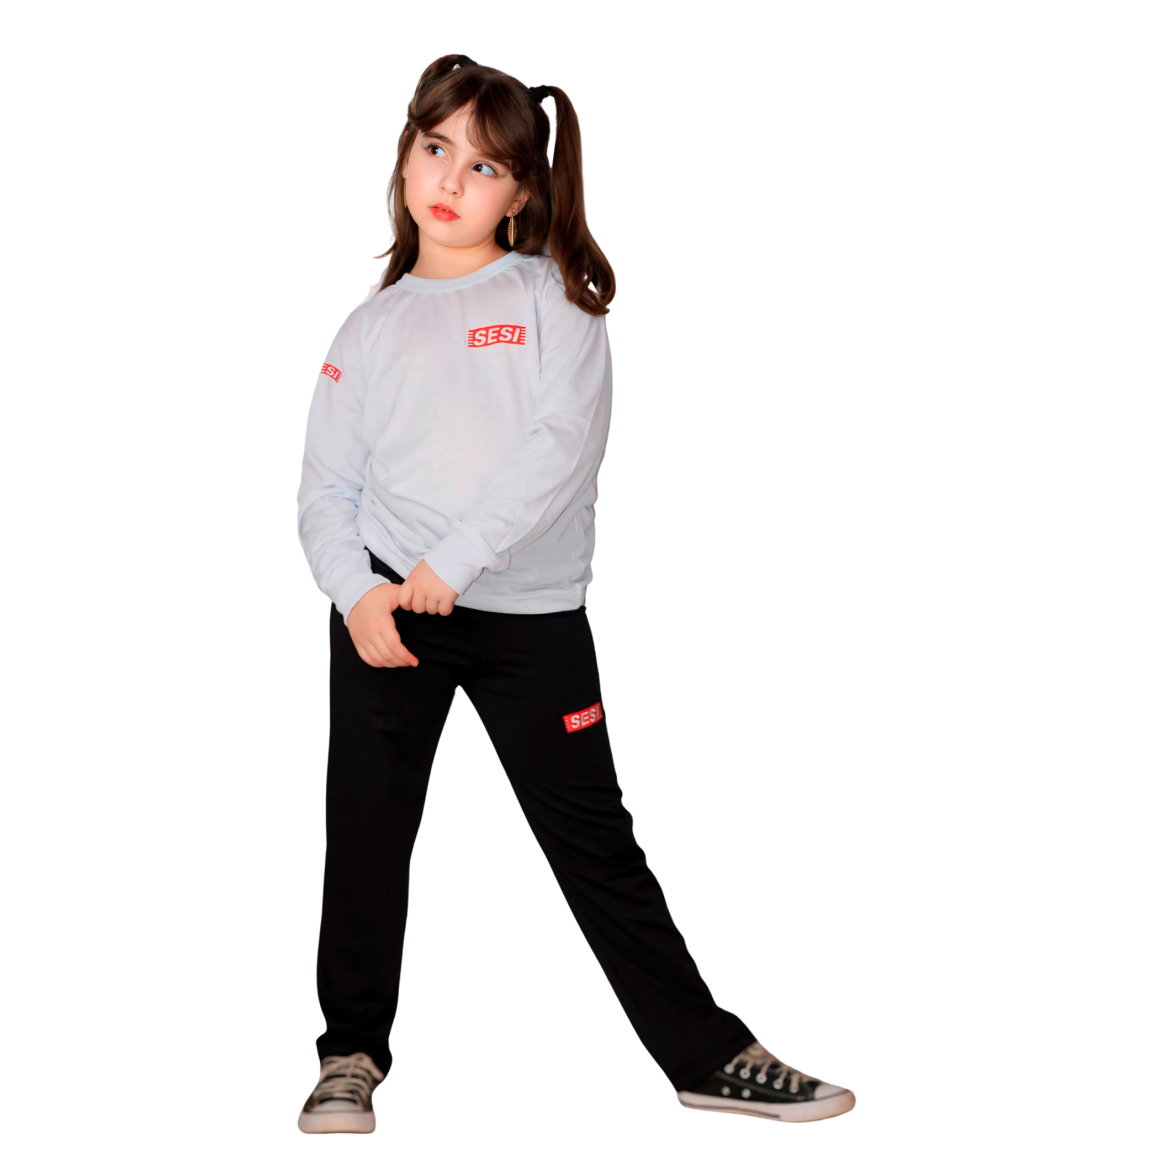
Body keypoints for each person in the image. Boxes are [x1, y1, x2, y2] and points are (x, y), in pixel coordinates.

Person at [293, 53, 856, 1135]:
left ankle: (709, 1057)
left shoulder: (554, 295)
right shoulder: (369, 321)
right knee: (364, 837)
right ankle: (346, 1056)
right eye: (435, 148)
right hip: (386, 615)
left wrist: (453, 563)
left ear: (521, 191)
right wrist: (356, 594)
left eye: (485, 165)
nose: (451, 178)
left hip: (531, 620)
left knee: (600, 844)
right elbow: (325, 486)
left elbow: (560, 447)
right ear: (405, 155)